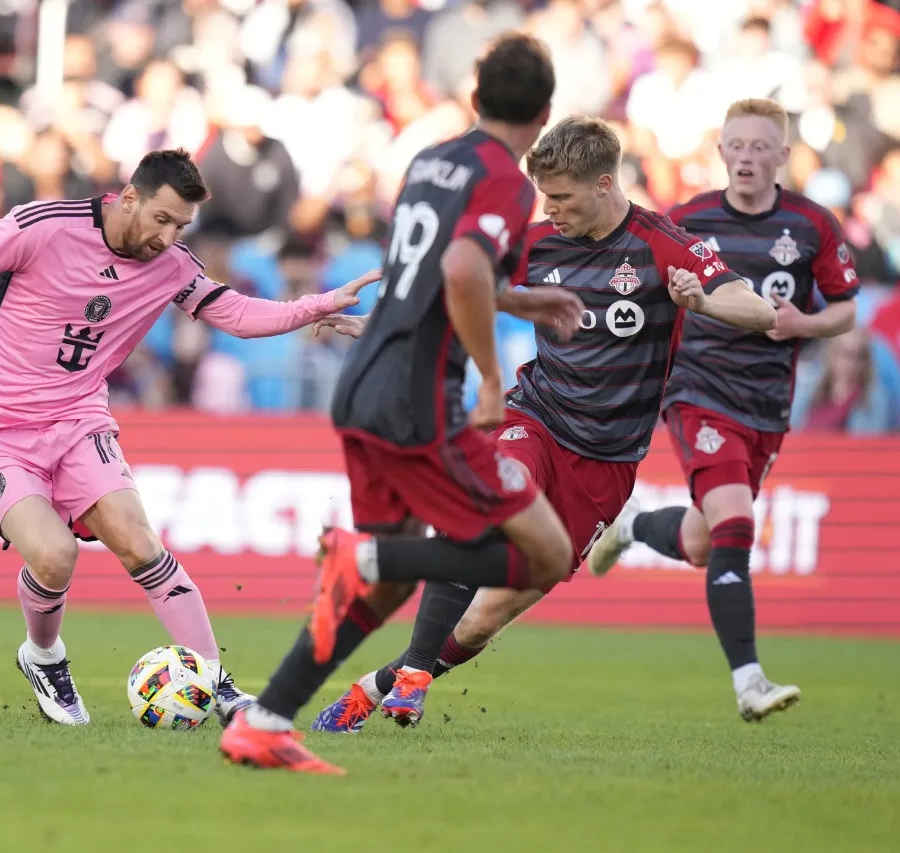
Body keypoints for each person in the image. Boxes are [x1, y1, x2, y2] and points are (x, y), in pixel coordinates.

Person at [307, 114, 777, 744]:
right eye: (542, 196)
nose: (548, 209)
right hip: (534, 416)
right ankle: (414, 677)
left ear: (605, 184)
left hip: (606, 461)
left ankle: (380, 684)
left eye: (560, 197)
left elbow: (760, 308)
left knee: (482, 621)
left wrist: (703, 301)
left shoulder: (664, 243)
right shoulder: (535, 242)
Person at [0, 148, 375, 727]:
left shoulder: (173, 265)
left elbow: (238, 315)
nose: (169, 237)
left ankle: (213, 680)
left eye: (181, 227)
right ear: (130, 198)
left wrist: (317, 306)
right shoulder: (45, 225)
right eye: (162, 219)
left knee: (139, 542)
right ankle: (44, 655)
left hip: (78, 420)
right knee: (55, 556)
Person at [218, 34, 590, 775]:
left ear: (475, 96)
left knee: (384, 587)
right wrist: (490, 375)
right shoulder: (507, 184)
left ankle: (263, 719)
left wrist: (523, 297)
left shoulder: (428, 160)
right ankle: (363, 554)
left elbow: (444, 274)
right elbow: (458, 268)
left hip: (366, 381)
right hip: (420, 398)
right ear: (545, 113)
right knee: (546, 553)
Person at [586, 99, 860, 721]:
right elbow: (634, 283)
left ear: (783, 157)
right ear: (720, 151)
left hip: (767, 404)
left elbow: (846, 306)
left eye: (761, 146)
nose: (746, 156)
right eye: (736, 144)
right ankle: (749, 681)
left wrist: (807, 323)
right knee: (735, 524)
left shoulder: (812, 224)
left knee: (706, 540)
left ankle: (630, 527)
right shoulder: (687, 220)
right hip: (698, 391)